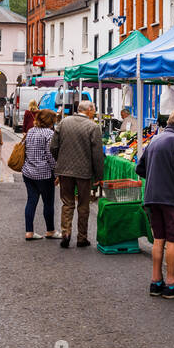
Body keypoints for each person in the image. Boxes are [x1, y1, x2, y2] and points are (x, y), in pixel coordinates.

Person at [138, 108, 174, 298]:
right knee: (173, 240)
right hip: (171, 198)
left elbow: (140, 168)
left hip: (153, 196)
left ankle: (156, 282)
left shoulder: (156, 138)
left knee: (159, 239)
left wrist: (158, 177)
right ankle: (171, 283)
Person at [50, 100, 105, 248]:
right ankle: (82, 237)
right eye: (93, 109)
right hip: (84, 172)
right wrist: (99, 177)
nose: (94, 112)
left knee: (67, 202)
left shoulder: (63, 123)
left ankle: (66, 233)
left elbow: (53, 146)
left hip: (65, 170)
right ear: (89, 110)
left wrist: (60, 161)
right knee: (83, 204)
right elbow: (98, 156)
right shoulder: (93, 127)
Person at [21, 109, 59, 240]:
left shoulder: (30, 131)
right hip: (44, 174)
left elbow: (25, 149)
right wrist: (57, 172)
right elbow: (51, 156)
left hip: (28, 171)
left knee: (31, 201)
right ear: (50, 121)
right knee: (48, 203)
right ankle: (50, 231)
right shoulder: (49, 134)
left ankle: (29, 232)